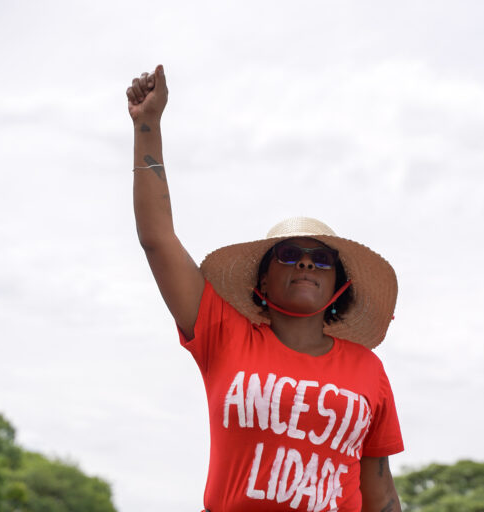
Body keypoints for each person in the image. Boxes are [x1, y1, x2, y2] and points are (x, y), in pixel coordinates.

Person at [127, 64, 404, 512]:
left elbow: (381, 495)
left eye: (322, 258)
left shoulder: (368, 370)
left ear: (340, 283)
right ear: (262, 279)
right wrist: (147, 125)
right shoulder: (223, 335)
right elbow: (157, 239)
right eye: (289, 254)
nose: (307, 262)